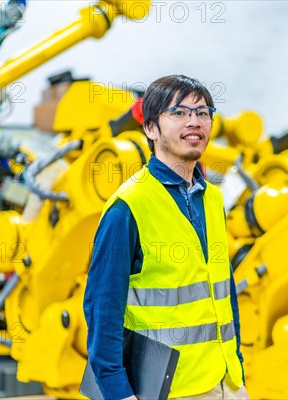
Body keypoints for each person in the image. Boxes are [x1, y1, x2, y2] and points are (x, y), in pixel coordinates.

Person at [84, 75, 249, 399]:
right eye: (179, 113)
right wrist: (118, 392)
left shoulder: (213, 200)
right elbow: (102, 308)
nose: (194, 122)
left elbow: (224, 293)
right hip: (167, 389)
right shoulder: (128, 208)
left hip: (225, 381)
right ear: (150, 128)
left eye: (203, 112)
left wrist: (237, 369)